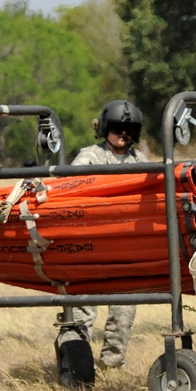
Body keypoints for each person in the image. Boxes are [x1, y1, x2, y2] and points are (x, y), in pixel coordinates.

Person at [57, 99, 149, 370]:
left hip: (124, 246)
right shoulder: (89, 157)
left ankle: (112, 365)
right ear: (106, 128)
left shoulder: (140, 160)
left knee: (124, 310)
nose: (124, 135)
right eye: (118, 128)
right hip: (90, 244)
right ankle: (77, 364)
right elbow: (68, 190)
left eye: (129, 130)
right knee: (83, 309)